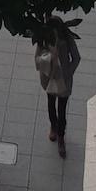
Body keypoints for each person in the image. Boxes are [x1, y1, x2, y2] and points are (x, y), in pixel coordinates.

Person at [34, 20, 81, 159]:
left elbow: (76, 58)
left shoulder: (67, 39)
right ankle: (53, 127)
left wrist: (67, 73)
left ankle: (61, 136)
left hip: (63, 81)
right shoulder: (44, 40)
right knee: (50, 104)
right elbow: (38, 59)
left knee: (61, 108)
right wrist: (51, 57)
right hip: (50, 77)